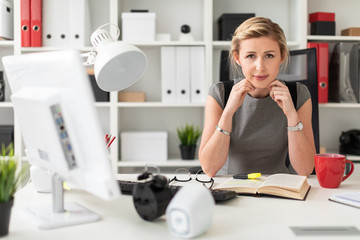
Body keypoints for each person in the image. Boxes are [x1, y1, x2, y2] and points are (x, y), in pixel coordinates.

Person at [198, 17, 315, 177]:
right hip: (231, 187)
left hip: (277, 188)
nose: (260, 67)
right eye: (251, 56)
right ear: (238, 58)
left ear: (281, 56)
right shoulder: (220, 94)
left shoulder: (298, 95)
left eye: (269, 56)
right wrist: (228, 113)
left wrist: (292, 116)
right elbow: (209, 168)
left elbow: (305, 169)